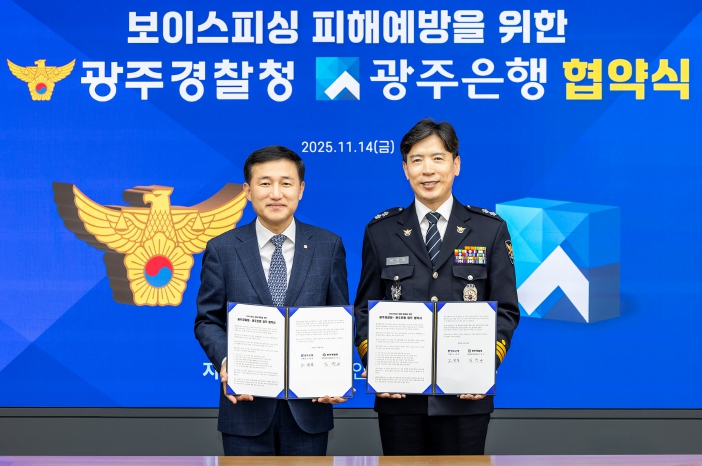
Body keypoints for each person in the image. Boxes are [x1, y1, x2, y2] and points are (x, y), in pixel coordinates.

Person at [354, 118, 520, 455]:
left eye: (437, 158)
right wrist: (376, 362)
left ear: (456, 165)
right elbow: (364, 308)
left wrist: (485, 364)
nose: (427, 170)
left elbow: (505, 308)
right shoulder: (380, 231)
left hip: (465, 396)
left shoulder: (489, 230)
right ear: (405, 169)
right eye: (417, 160)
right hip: (399, 397)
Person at [195, 145, 349, 456]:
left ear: (300, 189)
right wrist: (227, 362)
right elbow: (207, 320)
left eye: (286, 183)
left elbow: (340, 319)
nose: (276, 193)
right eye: (265, 183)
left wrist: (337, 375)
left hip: (309, 408)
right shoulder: (222, 249)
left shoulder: (328, 246)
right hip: (245, 409)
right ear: (247, 191)